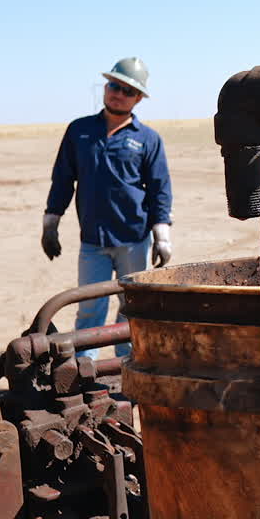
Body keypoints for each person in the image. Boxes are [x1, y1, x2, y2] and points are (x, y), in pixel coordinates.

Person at [41, 57, 172, 359]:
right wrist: (51, 223)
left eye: (128, 91)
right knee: (89, 311)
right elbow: (63, 179)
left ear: (139, 99)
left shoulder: (148, 140)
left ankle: (127, 367)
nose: (118, 93)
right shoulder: (79, 131)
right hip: (93, 243)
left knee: (132, 310)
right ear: (105, 87)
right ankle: (85, 373)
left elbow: (159, 190)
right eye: (114, 85)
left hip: (134, 241)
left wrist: (162, 235)